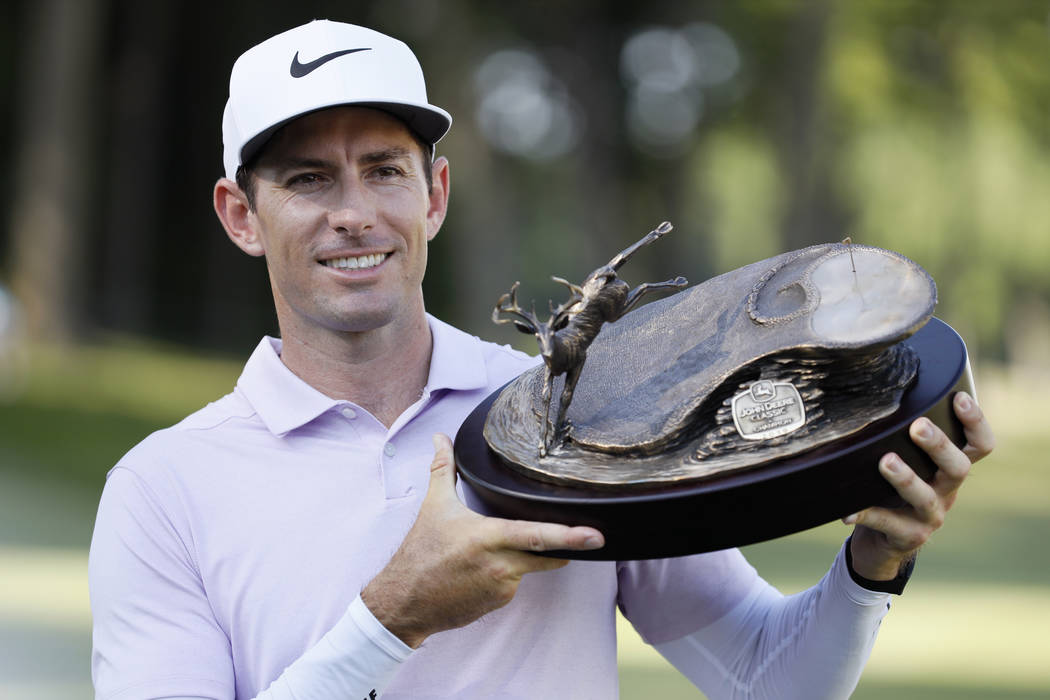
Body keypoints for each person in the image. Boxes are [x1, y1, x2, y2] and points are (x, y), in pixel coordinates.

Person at [88, 20, 994, 700]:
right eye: (306, 179)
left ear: (434, 194)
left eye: (385, 169)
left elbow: (764, 676)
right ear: (240, 215)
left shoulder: (576, 419)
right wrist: (392, 619)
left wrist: (874, 561)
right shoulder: (164, 490)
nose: (354, 212)